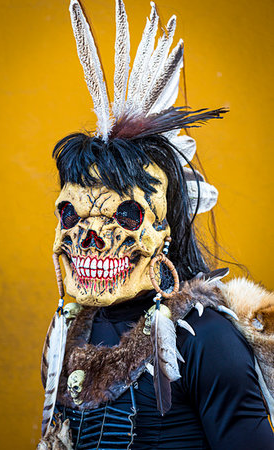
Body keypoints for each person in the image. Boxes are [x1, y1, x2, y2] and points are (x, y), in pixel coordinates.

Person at [38, 1, 274, 448]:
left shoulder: (207, 340)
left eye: (123, 215)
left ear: (164, 230)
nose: (89, 238)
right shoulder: (71, 331)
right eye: (71, 214)